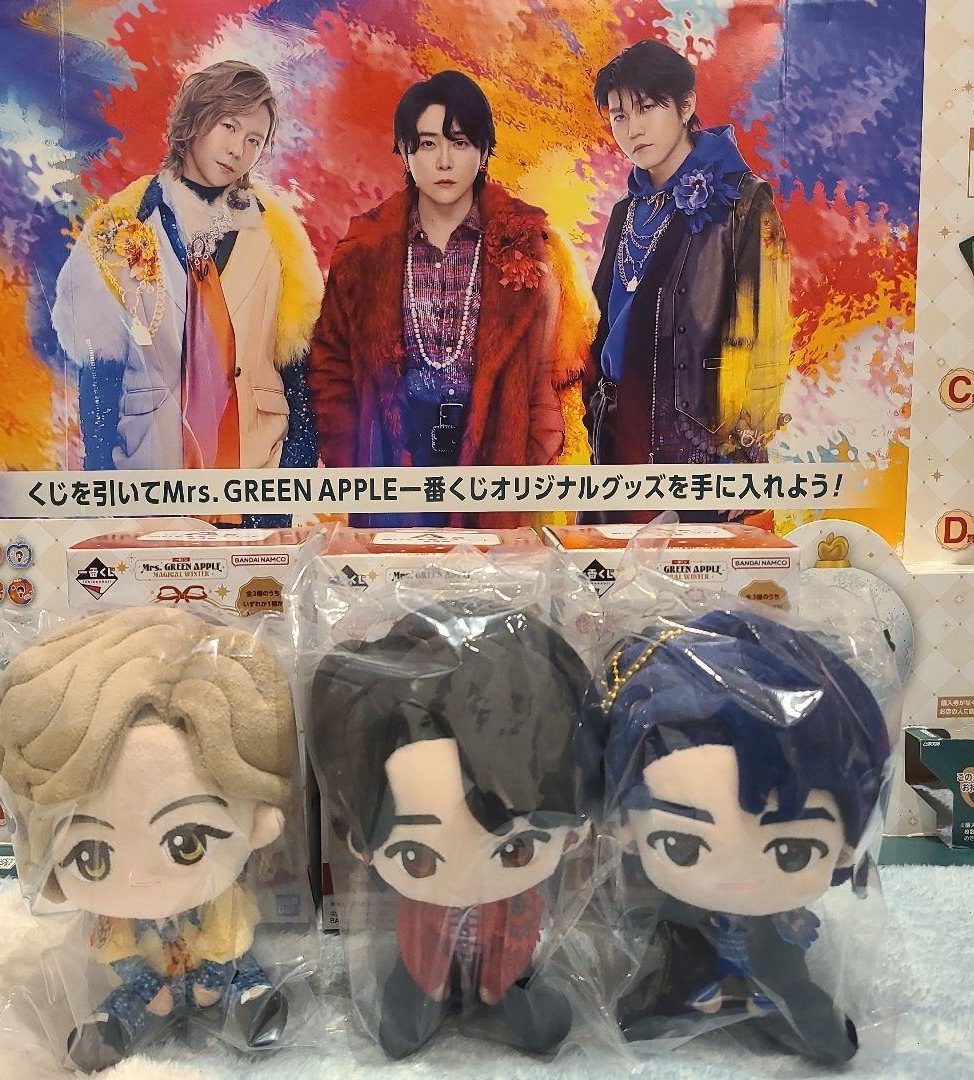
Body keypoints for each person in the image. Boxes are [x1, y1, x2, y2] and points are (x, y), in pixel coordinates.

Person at [0, 607, 300, 1072]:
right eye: (91, 857)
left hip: (215, 967)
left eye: (186, 843)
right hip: (148, 981)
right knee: (128, 1000)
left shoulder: (218, 900)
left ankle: (249, 1005)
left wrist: (212, 978)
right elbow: (116, 951)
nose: (138, 879)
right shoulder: (114, 919)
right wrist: (150, 987)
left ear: (260, 823)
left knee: (243, 977)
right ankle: (109, 1030)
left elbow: (230, 936)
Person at [597, 608, 893, 1064]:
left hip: (773, 954)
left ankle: (777, 1004)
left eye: (794, 851)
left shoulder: (782, 917)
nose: (738, 878)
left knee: (783, 976)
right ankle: (681, 994)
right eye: (681, 845)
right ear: (627, 829)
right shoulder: (669, 904)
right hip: (685, 947)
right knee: (676, 964)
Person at [308, 598, 598, 1058]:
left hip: (505, 970)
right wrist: (430, 981)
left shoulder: (519, 905)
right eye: (416, 857)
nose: (465, 879)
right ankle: (439, 999)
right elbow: (414, 942)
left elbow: (523, 937)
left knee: (540, 1024)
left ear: (574, 831)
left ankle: (499, 1001)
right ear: (361, 843)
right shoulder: (419, 913)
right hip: (426, 969)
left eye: (516, 850)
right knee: (402, 1025)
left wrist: (499, 983)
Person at [308, 70, 596, 527]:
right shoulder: (363, 251)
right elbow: (330, 367)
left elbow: (548, 379)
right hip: (389, 467)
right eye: (428, 144)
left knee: (487, 573)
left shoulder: (528, 246)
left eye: (459, 143)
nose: (444, 161)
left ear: (482, 153)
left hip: (495, 470)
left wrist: (528, 466)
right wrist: (351, 462)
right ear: (406, 151)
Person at [53, 61, 322, 494]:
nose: (238, 149)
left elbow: (299, 370)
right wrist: (102, 485)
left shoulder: (280, 235)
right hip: (148, 475)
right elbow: (100, 372)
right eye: (229, 126)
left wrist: (293, 476)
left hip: (257, 476)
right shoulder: (121, 223)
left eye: (254, 140)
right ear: (195, 119)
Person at [585, 40, 792, 523]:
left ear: (685, 106)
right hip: (617, 436)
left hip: (699, 441)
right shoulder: (625, 211)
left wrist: (747, 454)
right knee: (609, 567)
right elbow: (602, 324)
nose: (632, 129)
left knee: (694, 567)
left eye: (647, 108)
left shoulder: (743, 203)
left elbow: (767, 336)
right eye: (619, 116)